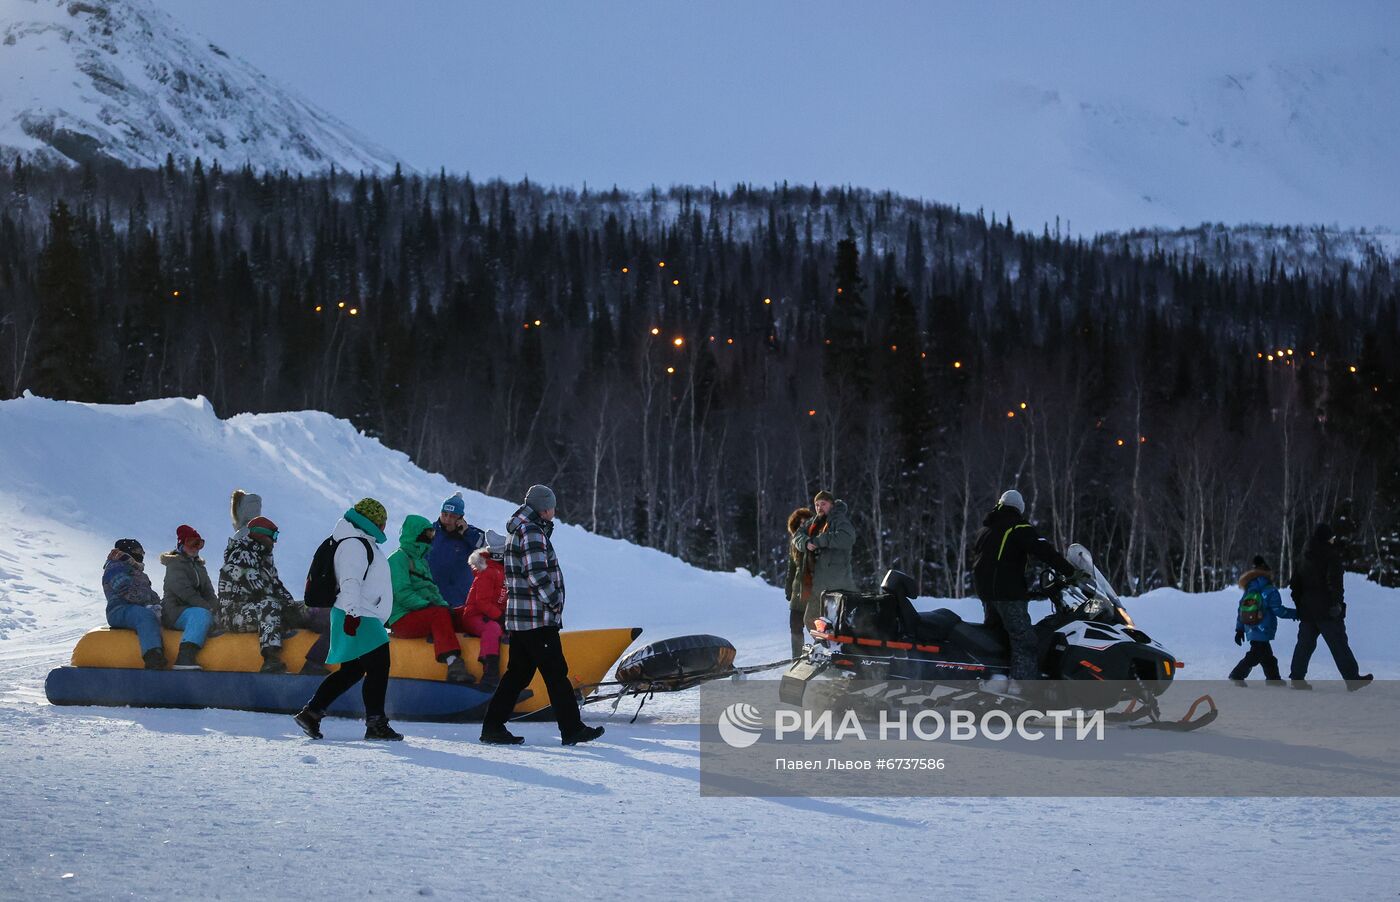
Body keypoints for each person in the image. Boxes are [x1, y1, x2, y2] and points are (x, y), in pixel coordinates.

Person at [480, 484, 605, 746]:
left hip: (522, 618)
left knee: (518, 674)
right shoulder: (532, 531)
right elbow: (536, 573)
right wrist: (555, 601)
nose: (554, 513)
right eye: (552, 507)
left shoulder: (521, 529)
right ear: (545, 508)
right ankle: (572, 729)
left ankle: (492, 726)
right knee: (556, 673)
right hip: (536, 617)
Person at [294, 498, 404, 741]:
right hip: (358, 614)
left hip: (359, 613)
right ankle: (375, 723)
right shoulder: (354, 544)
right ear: (373, 522)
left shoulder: (361, 541)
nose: (384, 528)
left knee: (353, 670)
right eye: (382, 522)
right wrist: (353, 615)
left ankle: (311, 712)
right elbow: (350, 582)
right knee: (378, 666)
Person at [969, 489, 1076, 685]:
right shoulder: (1018, 526)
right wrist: (1070, 571)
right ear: (1019, 508)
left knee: (997, 638)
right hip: (1008, 593)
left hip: (986, 593)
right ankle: (1022, 689)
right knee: (1024, 641)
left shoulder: (986, 529)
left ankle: (995, 681)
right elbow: (1043, 550)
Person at [217, 515, 330, 674]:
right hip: (235, 613)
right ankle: (270, 660)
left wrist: (292, 606)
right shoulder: (241, 555)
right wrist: (284, 608)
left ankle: (320, 628)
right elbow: (256, 590)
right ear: (261, 535)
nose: (275, 542)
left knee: (301, 606)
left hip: (261, 606)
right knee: (269, 606)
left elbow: (277, 585)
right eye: (273, 537)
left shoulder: (265, 557)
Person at [387, 514, 473, 684]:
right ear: (416, 533)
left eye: (432, 534)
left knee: (463, 613)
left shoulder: (421, 561)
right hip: (402, 617)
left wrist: (444, 607)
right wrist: (427, 606)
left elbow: (432, 591)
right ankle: (453, 664)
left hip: (424, 612)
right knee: (438, 615)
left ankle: (490, 659)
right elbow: (402, 592)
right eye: (428, 534)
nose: (431, 538)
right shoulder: (398, 559)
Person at [1288, 523, 1373, 691]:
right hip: (1327, 610)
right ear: (1327, 539)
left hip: (1307, 610)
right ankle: (1352, 680)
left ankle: (1297, 678)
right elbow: (1335, 583)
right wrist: (1337, 604)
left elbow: (1295, 584)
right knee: (1339, 644)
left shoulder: (1304, 556)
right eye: (1332, 538)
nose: (1334, 540)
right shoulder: (1331, 556)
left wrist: (1300, 604)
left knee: (1304, 645)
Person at [104, 538, 210, 670]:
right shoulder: (116, 567)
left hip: (134, 608)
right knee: (144, 616)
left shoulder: (136, 570)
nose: (141, 555)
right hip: (119, 609)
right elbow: (125, 590)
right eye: (138, 552)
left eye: (142, 552)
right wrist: (148, 603)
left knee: (150, 615)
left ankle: (161, 652)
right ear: (128, 551)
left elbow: (148, 592)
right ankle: (152, 656)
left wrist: (156, 604)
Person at [790, 491, 856, 634]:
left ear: (832, 505)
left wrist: (819, 541)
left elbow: (847, 538)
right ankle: (826, 649)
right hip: (819, 584)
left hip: (837, 585)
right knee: (810, 619)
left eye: (823, 504)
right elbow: (797, 536)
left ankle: (837, 651)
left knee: (838, 624)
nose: (819, 507)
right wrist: (806, 542)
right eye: (817, 504)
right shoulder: (814, 522)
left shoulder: (839, 519)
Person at [157, 525, 219, 670]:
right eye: (191, 543)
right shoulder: (175, 564)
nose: (195, 547)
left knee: (215, 615)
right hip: (175, 612)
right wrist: (207, 608)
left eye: (199, 544)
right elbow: (185, 592)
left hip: (194, 609)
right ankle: (184, 657)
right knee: (201, 615)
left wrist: (217, 608)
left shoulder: (199, 566)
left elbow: (209, 592)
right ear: (181, 544)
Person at [1228, 556, 1296, 685]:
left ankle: (1273, 678)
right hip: (1263, 628)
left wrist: (1240, 629)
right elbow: (1278, 611)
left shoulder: (1249, 588)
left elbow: (1241, 609)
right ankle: (1237, 674)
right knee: (1256, 655)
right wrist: (1296, 613)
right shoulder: (1270, 589)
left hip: (1250, 627)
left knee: (1267, 656)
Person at [462, 530, 508, 687]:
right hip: (474, 616)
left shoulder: (503, 572)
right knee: (492, 628)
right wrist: (500, 617)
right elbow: (482, 602)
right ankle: (490, 671)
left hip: (492, 615)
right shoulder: (487, 572)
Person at [426, 492, 486, 608]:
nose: (447, 519)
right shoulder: (430, 531)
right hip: (431, 598)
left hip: (459, 601)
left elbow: (488, 547)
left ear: (460, 518)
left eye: (452, 516)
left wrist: (468, 533)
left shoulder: (470, 533)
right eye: (444, 514)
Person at [785, 506, 814, 659]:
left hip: (813, 592)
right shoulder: (794, 544)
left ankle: (825, 658)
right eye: (800, 524)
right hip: (798, 592)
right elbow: (791, 568)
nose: (802, 526)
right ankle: (797, 658)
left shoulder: (815, 540)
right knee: (795, 627)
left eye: (805, 523)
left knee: (817, 629)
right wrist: (788, 587)